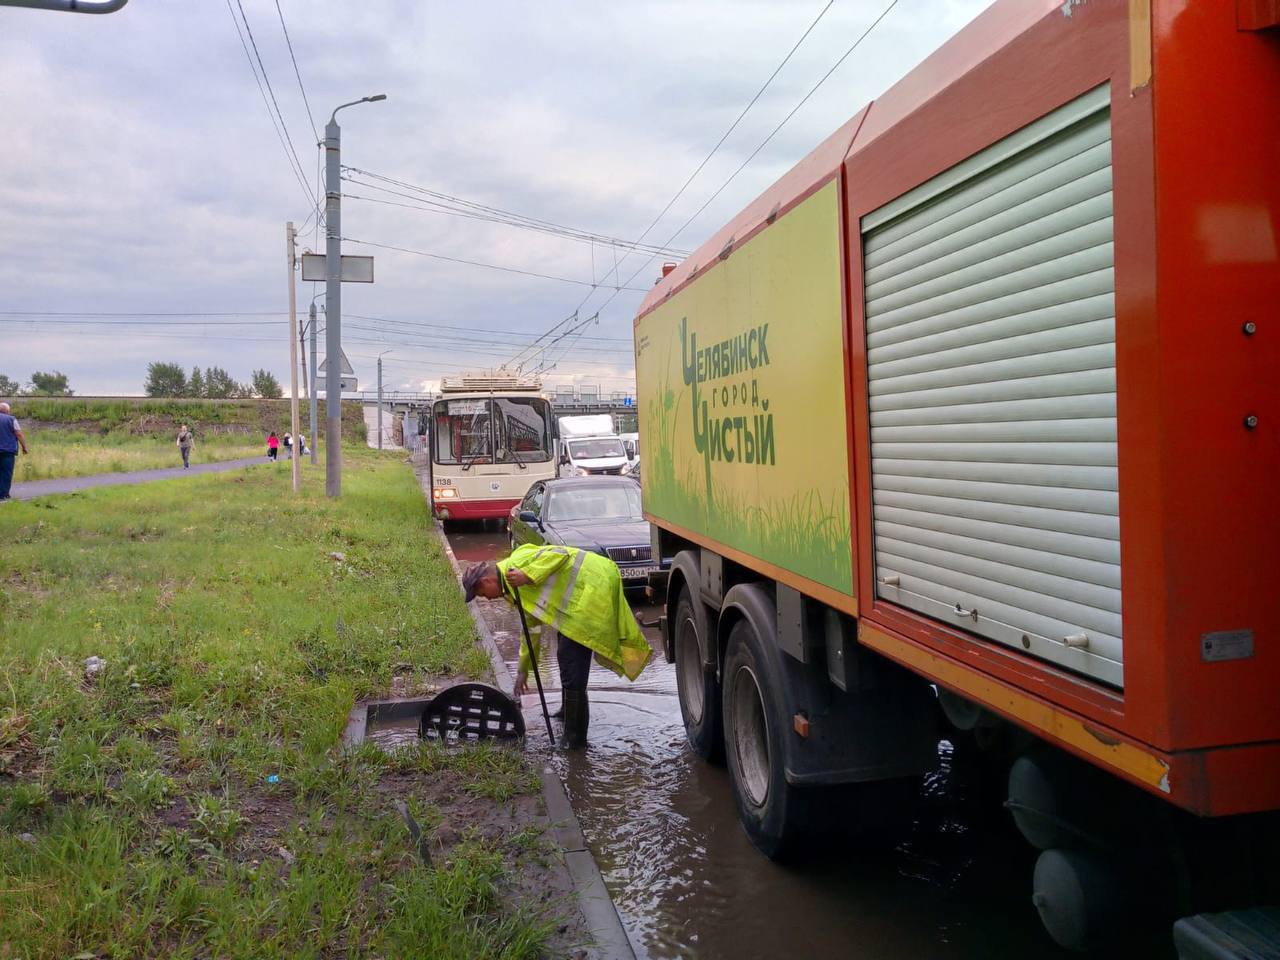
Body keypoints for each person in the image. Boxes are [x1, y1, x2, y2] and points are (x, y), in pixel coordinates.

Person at [462, 543, 651, 748]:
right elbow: (531, 631)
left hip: (594, 585)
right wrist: (523, 671)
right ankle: (567, 711)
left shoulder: (516, 565)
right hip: (579, 599)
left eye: (482, 594)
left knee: (571, 658)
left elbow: (559, 553)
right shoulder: (512, 591)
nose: (487, 599)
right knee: (565, 653)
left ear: (486, 581)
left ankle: (574, 739)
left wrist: (528, 575)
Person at [0, 402, 29, 501]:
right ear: (7, 411)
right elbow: (19, 434)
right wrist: (24, 447)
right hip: (8, 451)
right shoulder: (11, 419)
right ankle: (3, 494)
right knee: (6, 472)